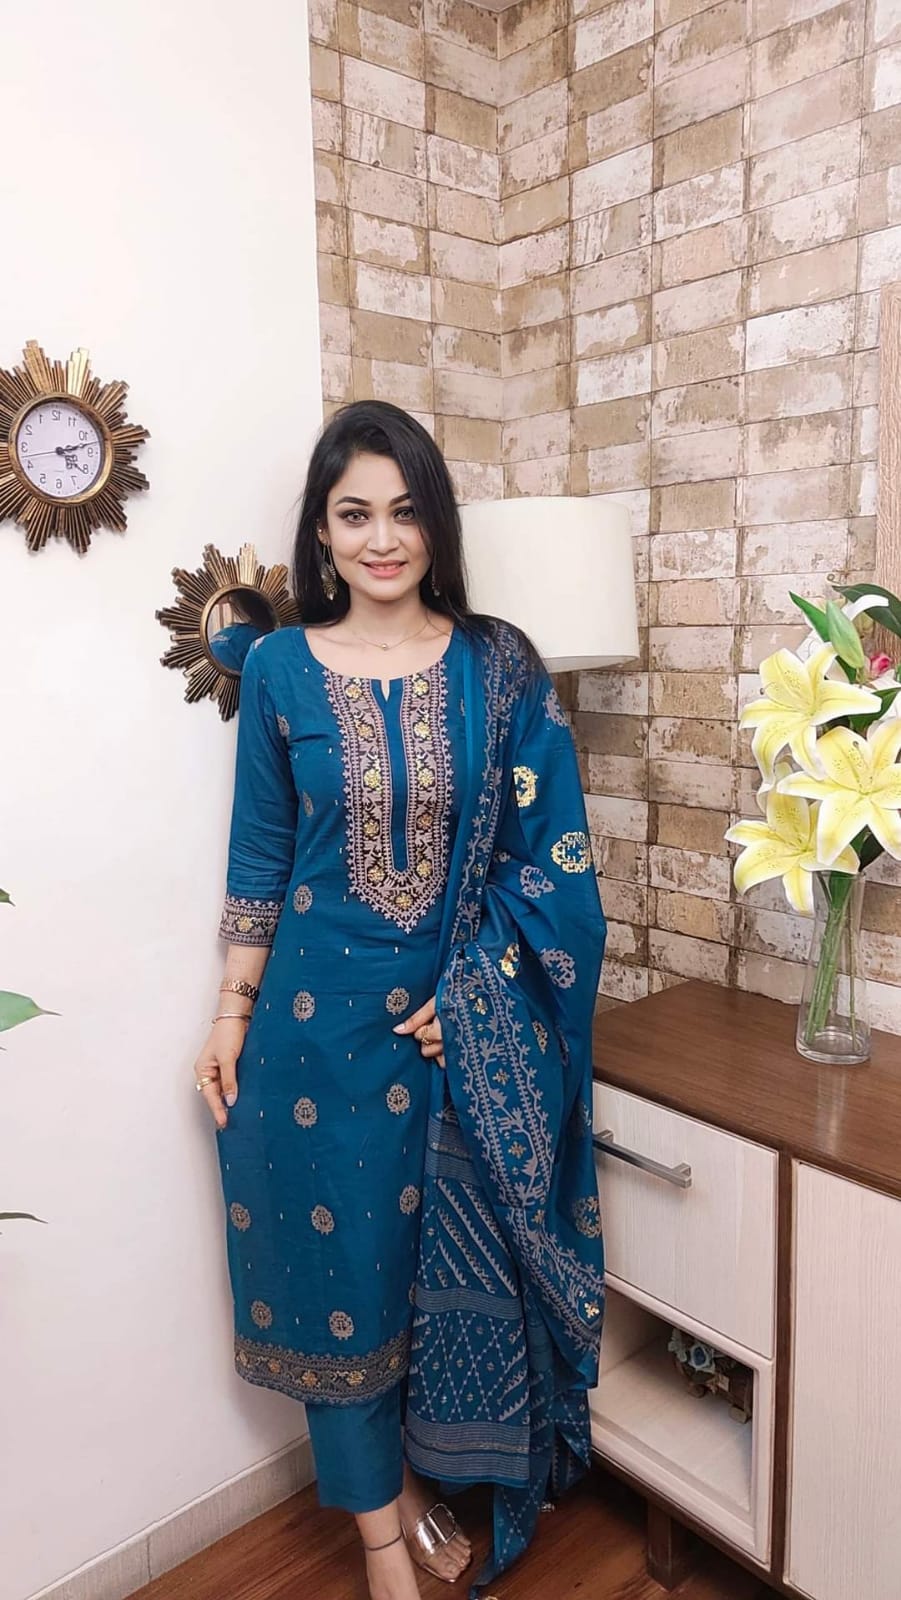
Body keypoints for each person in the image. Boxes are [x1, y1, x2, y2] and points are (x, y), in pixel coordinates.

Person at [193, 402, 606, 1600]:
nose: (383, 538)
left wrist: (479, 987)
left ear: (437, 524)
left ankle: (423, 1477)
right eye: (354, 514)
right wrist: (229, 1012)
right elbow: (260, 857)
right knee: (341, 1280)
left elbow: (554, 857)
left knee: (426, 1275)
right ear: (322, 534)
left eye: (406, 510)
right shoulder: (278, 668)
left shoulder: (499, 664)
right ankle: (381, 1531)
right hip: (309, 1040)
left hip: (451, 1035)